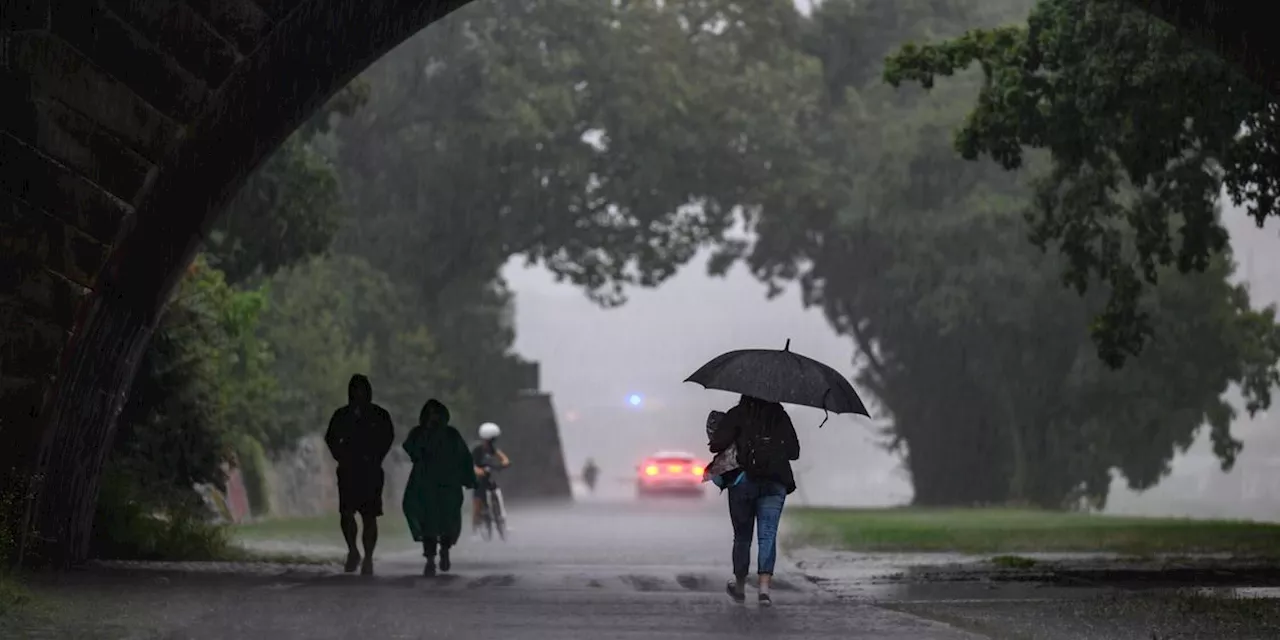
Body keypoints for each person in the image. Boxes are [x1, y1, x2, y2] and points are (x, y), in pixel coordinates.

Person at [708, 395, 800, 607]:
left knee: (742, 536)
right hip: (775, 482)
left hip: (743, 482)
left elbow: (716, 445)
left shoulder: (737, 414)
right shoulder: (780, 416)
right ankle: (764, 590)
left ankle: (740, 586)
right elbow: (794, 452)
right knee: (767, 536)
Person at [324, 374, 395, 575]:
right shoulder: (341, 415)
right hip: (348, 470)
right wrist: (340, 456)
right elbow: (330, 437)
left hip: (370, 471)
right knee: (346, 514)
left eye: (361, 389)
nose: (358, 393)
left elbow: (388, 436)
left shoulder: (379, 415)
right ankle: (353, 550)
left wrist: (376, 456)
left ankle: (369, 557)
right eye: (354, 389)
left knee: (369, 516)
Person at [402, 399, 476, 576]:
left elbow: (464, 457)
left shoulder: (451, 435)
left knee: (447, 521)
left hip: (447, 485)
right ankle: (430, 559)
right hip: (425, 485)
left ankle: (444, 550)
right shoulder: (419, 433)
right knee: (428, 521)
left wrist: (468, 478)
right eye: (430, 414)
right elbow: (411, 450)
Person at [471, 422, 511, 535]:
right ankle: (475, 525)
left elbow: (502, 456)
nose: (491, 443)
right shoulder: (477, 449)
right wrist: (477, 470)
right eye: (490, 440)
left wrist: (505, 462)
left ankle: (501, 518)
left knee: (497, 491)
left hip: (488, 476)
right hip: (478, 478)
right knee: (477, 501)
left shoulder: (492, 449)